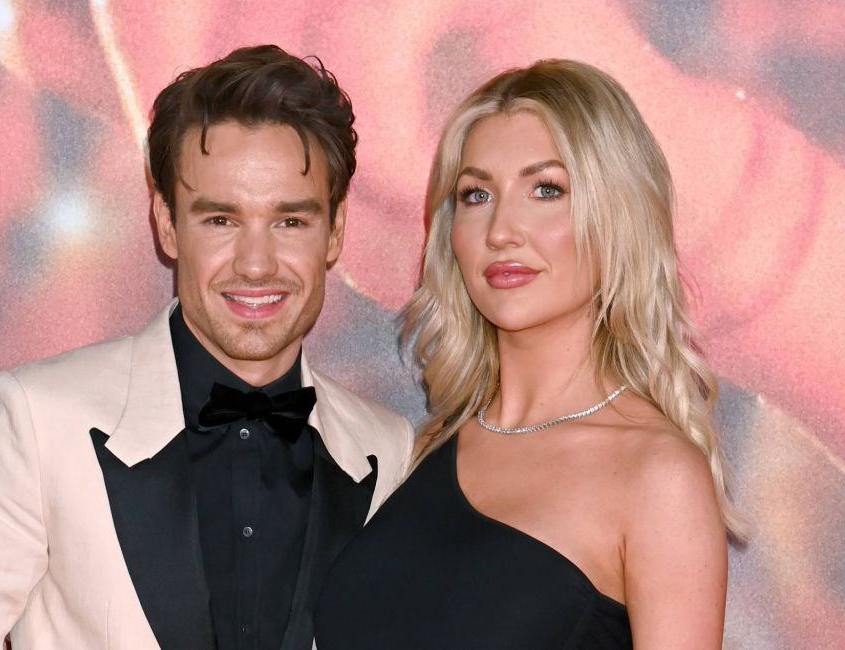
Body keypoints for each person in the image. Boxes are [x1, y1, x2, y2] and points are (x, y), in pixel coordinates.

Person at [0, 44, 413, 650]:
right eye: (221, 220)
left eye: (290, 221)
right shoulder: (34, 420)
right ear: (166, 223)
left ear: (335, 231)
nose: (256, 263)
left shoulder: (386, 450)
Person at [314, 59, 742, 648]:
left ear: (617, 216)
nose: (501, 229)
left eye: (547, 189)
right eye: (476, 194)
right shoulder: (424, 449)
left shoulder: (658, 476)